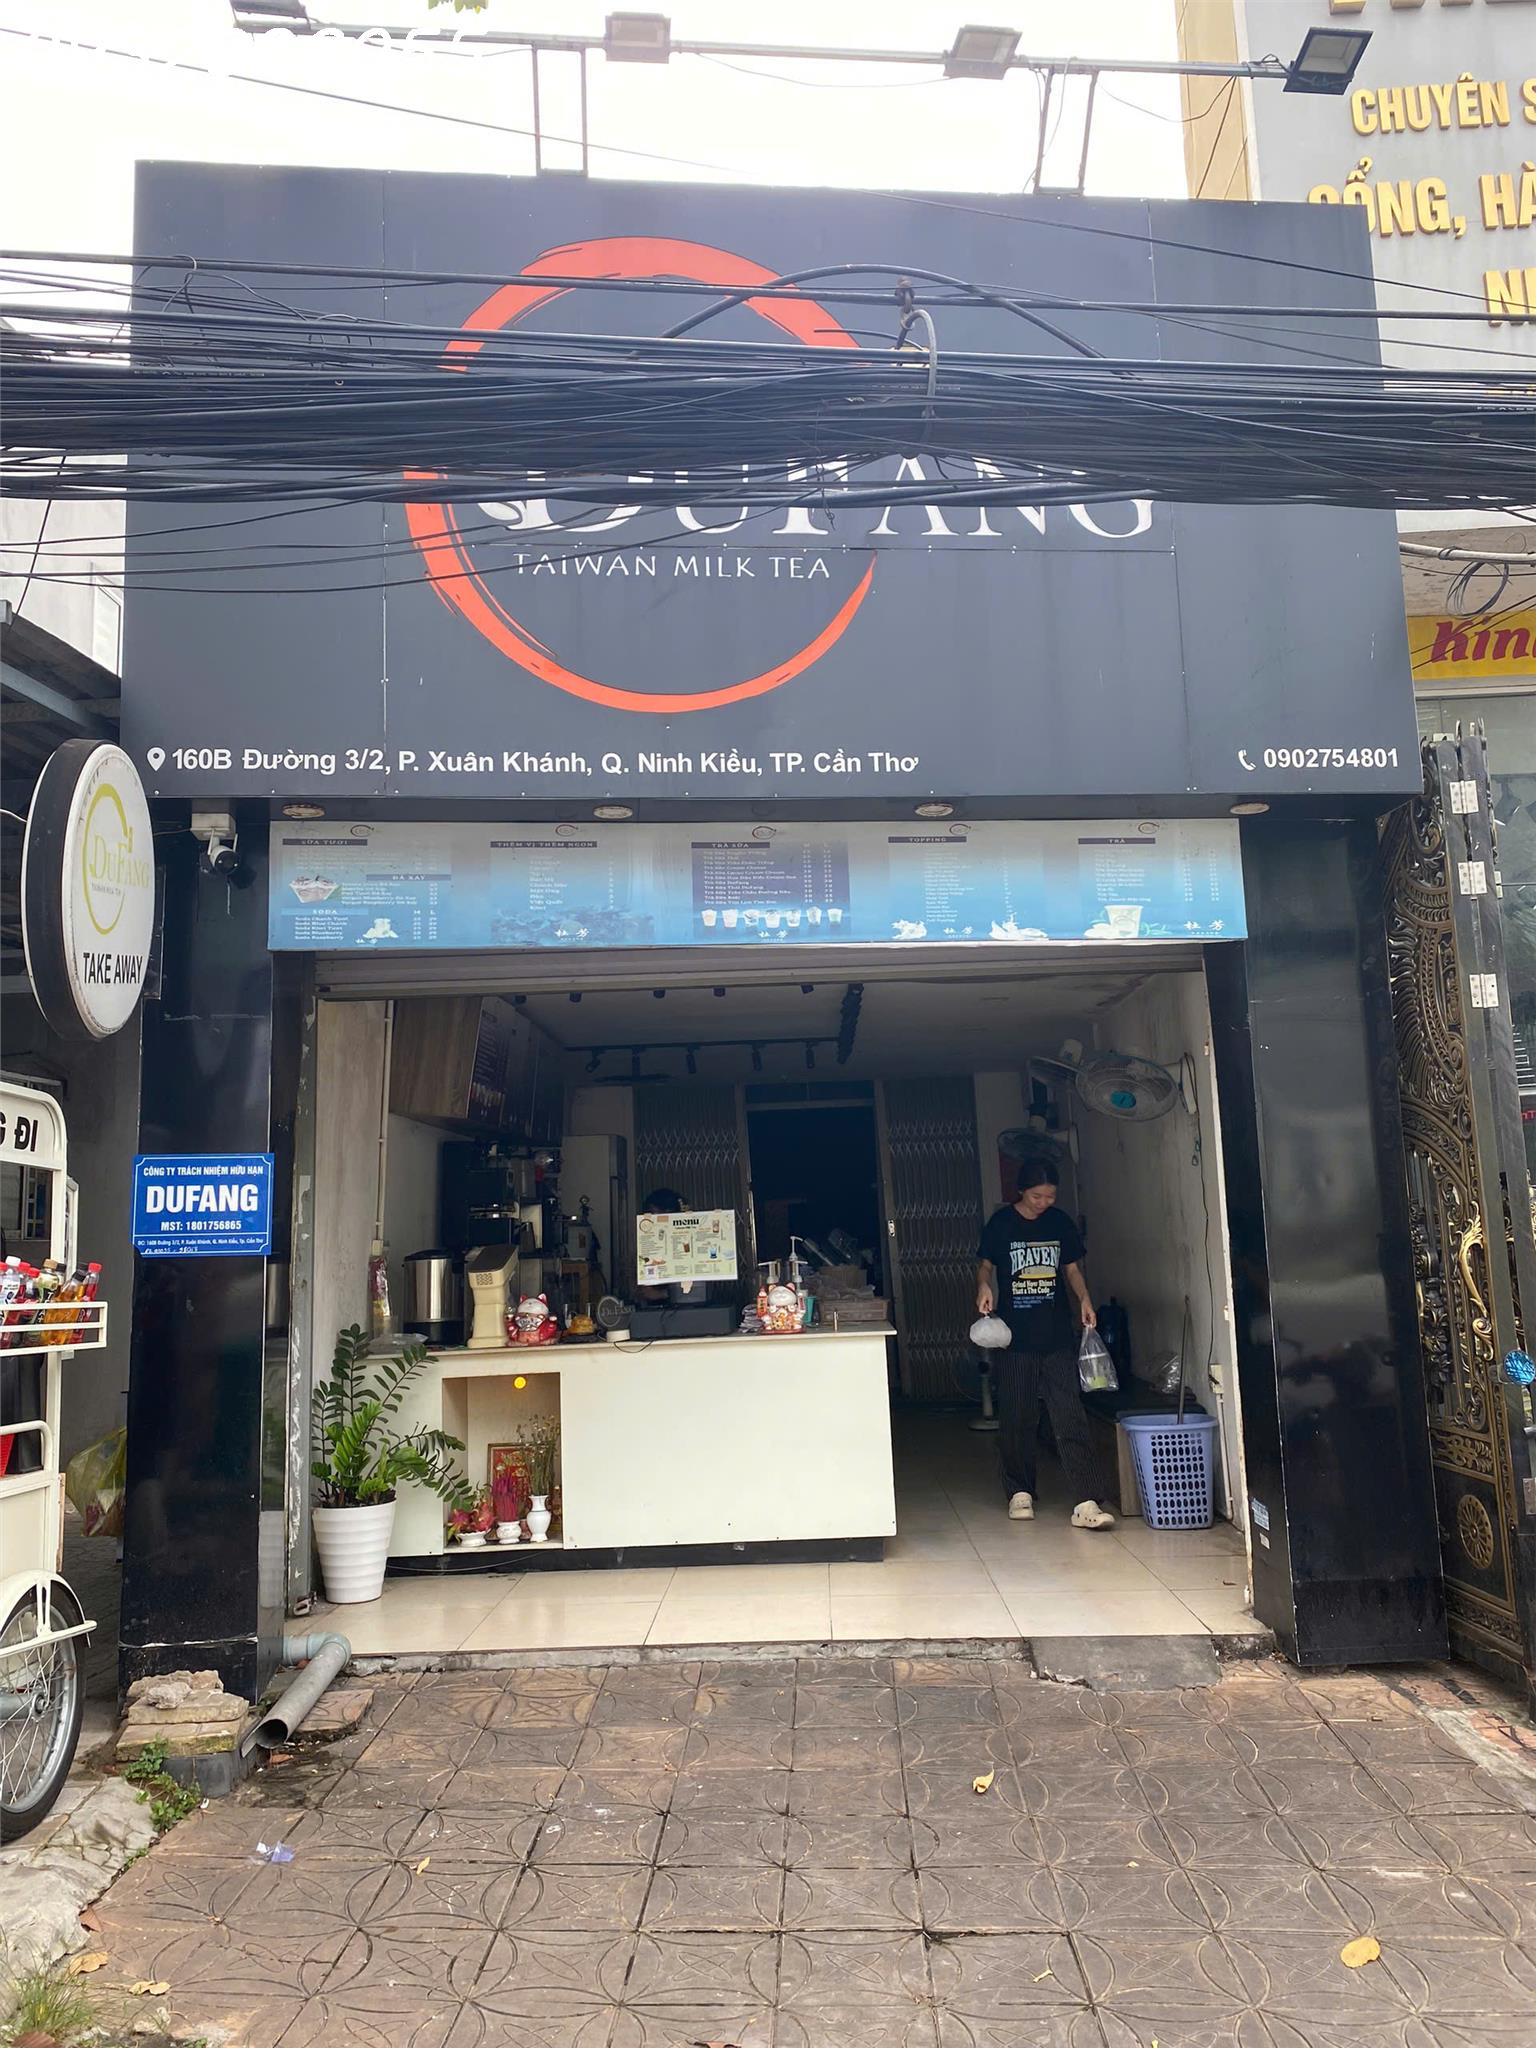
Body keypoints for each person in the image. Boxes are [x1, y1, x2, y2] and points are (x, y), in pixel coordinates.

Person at [975, 1159, 1115, 1530]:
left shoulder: (1059, 1223)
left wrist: (1084, 1298)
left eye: (1050, 1196)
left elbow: (1072, 1269)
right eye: (1037, 1196)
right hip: (1015, 1338)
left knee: (1069, 1413)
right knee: (1018, 1415)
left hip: (1056, 1335)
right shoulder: (1001, 1224)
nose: (1043, 1203)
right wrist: (984, 1286)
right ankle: (1019, 1491)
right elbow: (985, 1264)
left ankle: (1087, 1500)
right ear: (1021, 1190)